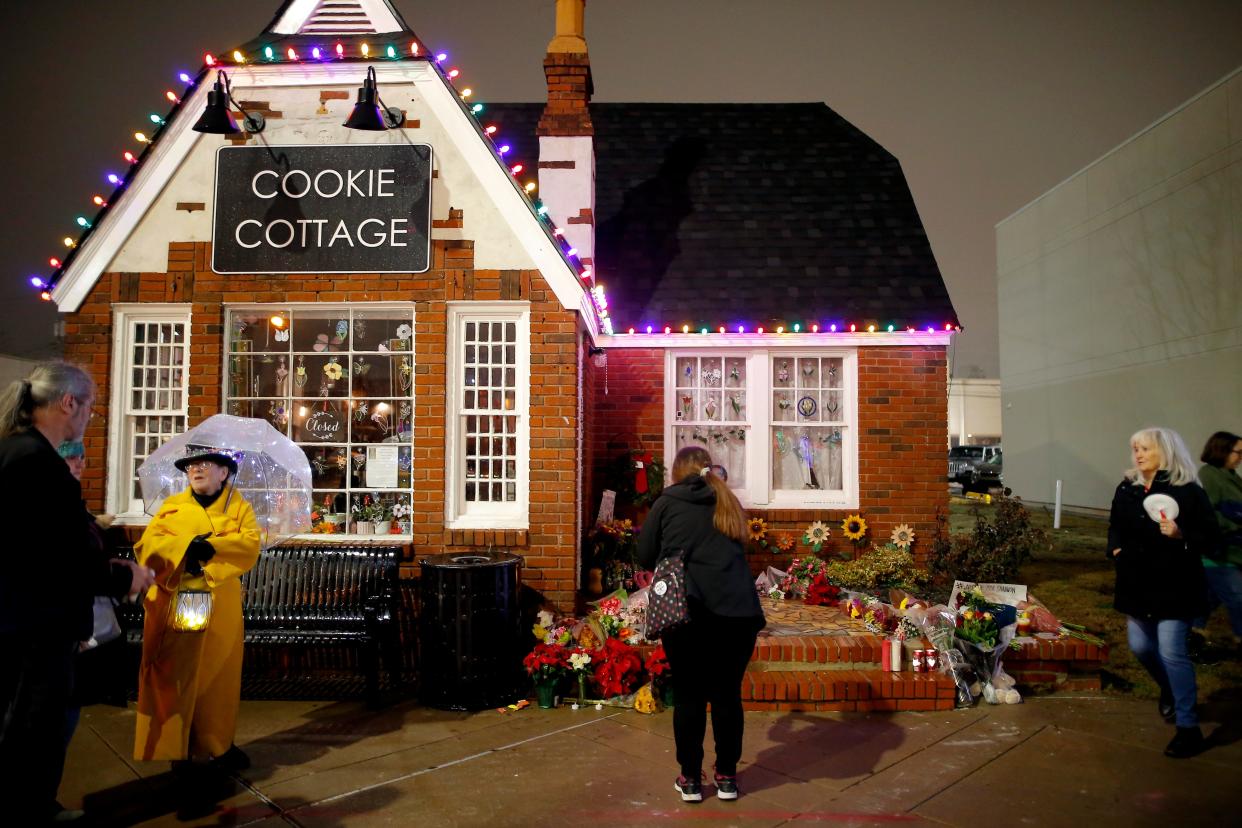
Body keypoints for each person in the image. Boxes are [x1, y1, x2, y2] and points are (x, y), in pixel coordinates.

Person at [0, 362, 155, 824]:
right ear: (69, 402)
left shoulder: (17, 454)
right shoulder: (35, 463)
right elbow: (58, 556)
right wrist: (122, 578)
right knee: (32, 730)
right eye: (89, 406)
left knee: (31, 729)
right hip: (34, 626)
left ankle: (33, 806)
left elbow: (43, 546)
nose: (91, 415)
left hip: (25, 619)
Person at [637, 445, 765, 802]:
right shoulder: (728, 501)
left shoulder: (667, 502)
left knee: (689, 697)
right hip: (737, 615)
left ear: (677, 472)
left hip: (687, 612)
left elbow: (645, 555)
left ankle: (691, 779)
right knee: (727, 696)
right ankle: (726, 776)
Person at [133, 445, 260, 773]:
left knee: (217, 674)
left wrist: (211, 550)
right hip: (178, 598)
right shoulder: (172, 507)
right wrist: (183, 551)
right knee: (180, 672)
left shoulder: (239, 508)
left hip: (218, 597)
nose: (196, 469)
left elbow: (248, 545)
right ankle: (180, 746)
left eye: (206, 464)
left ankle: (218, 743)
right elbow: (148, 546)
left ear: (224, 473)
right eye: (191, 466)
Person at [1108, 427, 1218, 759]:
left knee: (1172, 652)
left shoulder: (1187, 491)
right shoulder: (1127, 488)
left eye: (1145, 448)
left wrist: (1181, 534)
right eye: (1135, 448)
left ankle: (1188, 728)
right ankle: (1170, 689)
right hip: (1136, 584)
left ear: (1164, 451)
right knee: (1140, 646)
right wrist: (1115, 550)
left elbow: (1212, 537)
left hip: (1175, 586)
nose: (1138, 454)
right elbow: (1115, 525)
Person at [1192, 431, 1242, 652]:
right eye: (1238, 452)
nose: (1240, 457)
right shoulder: (1209, 474)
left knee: (1210, 598)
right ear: (1222, 450)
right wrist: (1234, 523)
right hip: (1218, 552)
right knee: (1237, 596)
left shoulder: (1231, 476)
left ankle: (1192, 632)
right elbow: (1209, 513)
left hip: (1234, 550)